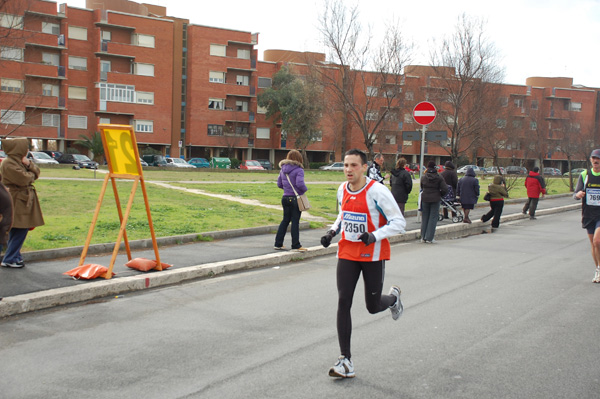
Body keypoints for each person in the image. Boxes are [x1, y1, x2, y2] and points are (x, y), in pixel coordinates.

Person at [320, 148, 406, 379]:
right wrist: (332, 232)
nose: (348, 170)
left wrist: (374, 236)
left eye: (353, 165)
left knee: (372, 305)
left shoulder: (377, 191)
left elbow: (399, 222)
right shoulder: (342, 189)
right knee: (343, 301)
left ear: (364, 167)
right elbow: (343, 214)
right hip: (348, 252)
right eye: (346, 165)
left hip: (373, 254)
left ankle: (393, 299)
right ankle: (345, 360)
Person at [0, 138, 44, 268]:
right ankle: (10, 258)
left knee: (19, 228)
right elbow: (24, 179)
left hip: (22, 199)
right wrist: (31, 174)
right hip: (16, 199)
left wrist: (29, 165)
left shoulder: (20, 162)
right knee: (20, 228)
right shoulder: (8, 163)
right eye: (25, 147)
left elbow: (37, 173)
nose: (27, 150)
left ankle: (15, 255)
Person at [574, 149, 600, 283]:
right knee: (593, 244)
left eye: (598, 159)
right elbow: (576, 194)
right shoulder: (585, 175)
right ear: (590, 160)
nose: (596, 161)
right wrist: (578, 195)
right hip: (588, 213)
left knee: (597, 240)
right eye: (593, 158)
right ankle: (598, 269)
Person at [274, 149, 307, 252]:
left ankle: (278, 243)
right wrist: (305, 190)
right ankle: (296, 245)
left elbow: (279, 184)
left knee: (285, 221)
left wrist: (287, 189)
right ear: (299, 159)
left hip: (285, 198)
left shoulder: (282, 169)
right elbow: (300, 184)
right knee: (295, 222)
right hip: (295, 199)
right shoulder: (299, 170)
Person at [420, 161, 447, 243]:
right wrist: (440, 194)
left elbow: (422, 186)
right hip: (435, 198)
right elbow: (445, 189)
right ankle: (430, 238)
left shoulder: (424, 177)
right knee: (433, 218)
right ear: (435, 167)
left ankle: (423, 237)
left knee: (425, 218)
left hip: (425, 198)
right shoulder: (439, 177)